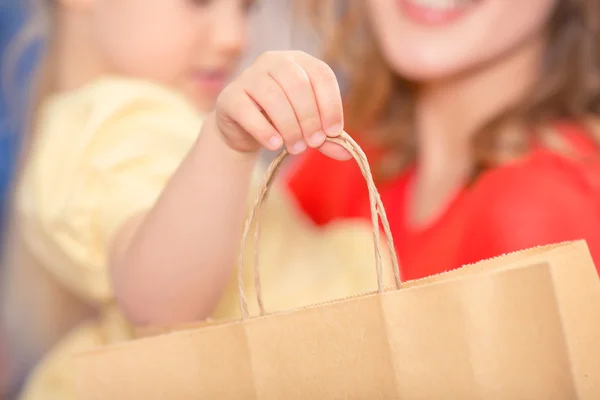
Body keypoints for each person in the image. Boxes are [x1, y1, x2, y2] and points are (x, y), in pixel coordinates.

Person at [0, 0, 388, 399]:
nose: (234, 38)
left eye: (246, 9)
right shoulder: (100, 132)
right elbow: (161, 303)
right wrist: (227, 146)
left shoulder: (152, 119)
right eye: (198, 3)